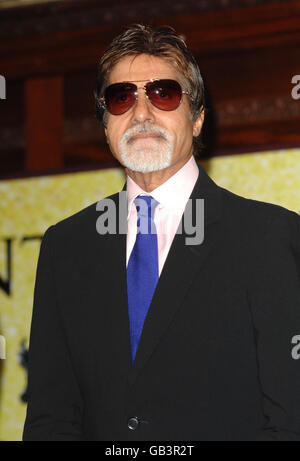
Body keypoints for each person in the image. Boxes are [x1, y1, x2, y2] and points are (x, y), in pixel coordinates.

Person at [23, 24, 300, 441]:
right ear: (105, 127)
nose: (141, 113)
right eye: (121, 98)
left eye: (163, 93)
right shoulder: (65, 247)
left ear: (198, 118)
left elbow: (288, 419)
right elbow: (50, 418)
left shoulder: (268, 237)